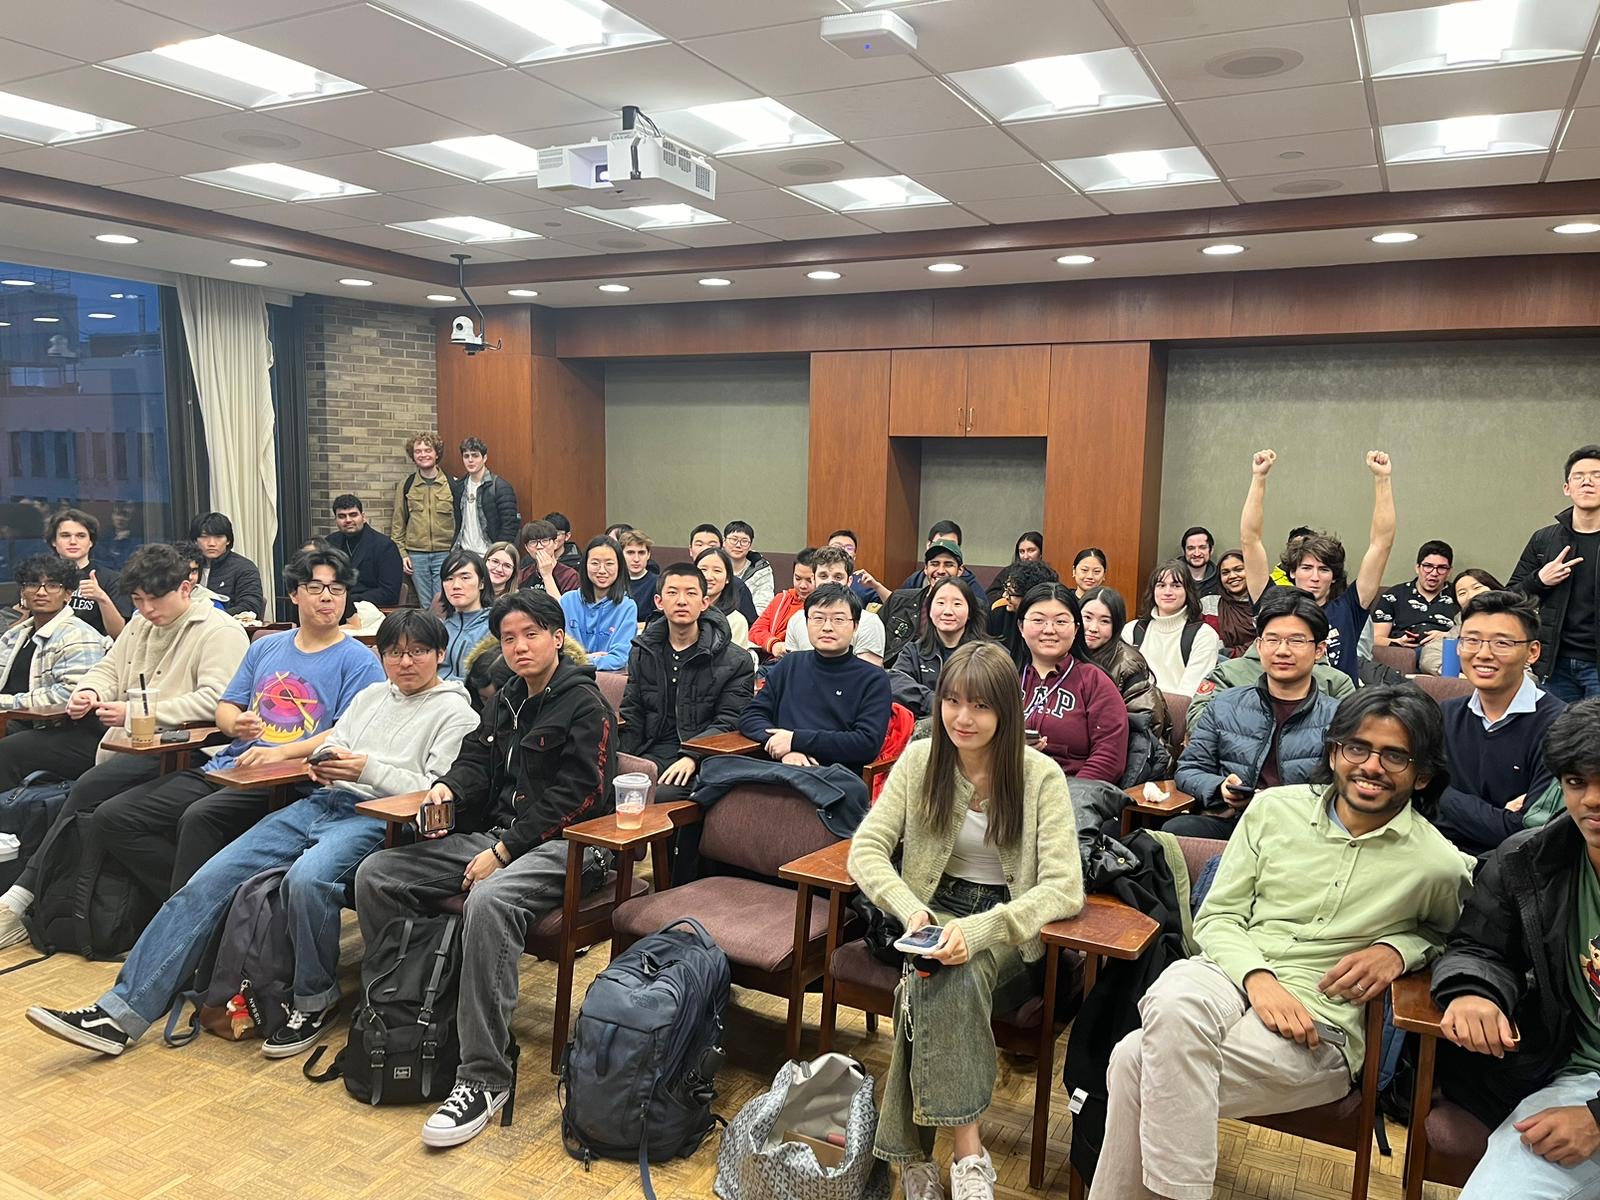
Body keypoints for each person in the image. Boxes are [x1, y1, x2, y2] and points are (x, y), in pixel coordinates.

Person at [23, 610, 478, 1059]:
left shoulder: (455, 711)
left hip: (377, 819)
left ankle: (313, 1001)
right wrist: (324, 759)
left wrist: (366, 768)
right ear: (381, 657)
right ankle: (117, 1013)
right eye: (395, 653)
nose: (406, 662)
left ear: (440, 654)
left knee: (307, 880)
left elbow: (434, 789)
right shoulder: (373, 696)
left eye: (419, 652)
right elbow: (336, 740)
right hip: (321, 801)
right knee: (206, 881)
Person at [1091, 686, 1472, 1200]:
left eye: (1395, 756)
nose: (1371, 766)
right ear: (1334, 751)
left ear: (1422, 773)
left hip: (1317, 1024)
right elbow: (1219, 915)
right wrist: (1259, 979)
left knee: (1135, 1060)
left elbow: (1455, 939)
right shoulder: (1274, 809)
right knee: (1173, 998)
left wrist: (1401, 948)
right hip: (1226, 972)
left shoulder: (1439, 864)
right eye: (1356, 747)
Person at [355, 589, 617, 1148]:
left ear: (555, 635)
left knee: (490, 899)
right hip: (499, 836)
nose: (519, 647)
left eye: (530, 635)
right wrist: (447, 786)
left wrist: (503, 853)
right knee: (378, 873)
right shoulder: (506, 699)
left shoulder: (584, 702)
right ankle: (402, 1011)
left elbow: (580, 795)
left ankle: (484, 1074)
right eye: (508, 638)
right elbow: (476, 758)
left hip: (572, 847)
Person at [848, 641, 1082, 1200]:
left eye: (979, 705)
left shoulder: (1039, 774)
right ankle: (969, 1162)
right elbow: (866, 850)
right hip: (931, 907)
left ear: (1006, 710)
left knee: (935, 982)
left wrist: (979, 932)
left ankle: (924, 1160)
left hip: (1008, 922)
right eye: (951, 701)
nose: (963, 718)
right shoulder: (921, 758)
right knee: (931, 978)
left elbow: (1065, 887)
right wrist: (910, 908)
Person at [87, 548, 385, 904]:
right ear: (293, 593)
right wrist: (237, 723)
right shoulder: (266, 647)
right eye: (315, 587)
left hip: (288, 777)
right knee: (113, 817)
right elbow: (226, 707)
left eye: (336, 589)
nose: (326, 597)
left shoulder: (358, 660)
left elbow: (347, 732)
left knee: (201, 818)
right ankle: (197, 903)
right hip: (229, 764)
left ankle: (190, 915)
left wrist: (281, 753)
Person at [0, 544, 250, 949]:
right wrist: (87, 691)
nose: (147, 609)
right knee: (93, 800)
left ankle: (22, 897)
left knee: (92, 793)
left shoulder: (219, 631)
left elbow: (217, 700)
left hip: (189, 753)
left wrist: (134, 711)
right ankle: (60, 904)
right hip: (134, 747)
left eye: (155, 599)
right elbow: (108, 668)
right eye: (138, 600)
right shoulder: (141, 624)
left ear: (187, 587)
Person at [1431, 697, 1600, 1200]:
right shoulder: (1531, 859)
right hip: (1573, 1080)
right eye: (1577, 783)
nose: (1592, 799)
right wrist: (1474, 991)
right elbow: (1478, 945)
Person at [1169, 589, 1342, 839]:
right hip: (1236, 821)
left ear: (1319, 650)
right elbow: (1189, 769)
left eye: (1296, 641)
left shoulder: (1338, 718)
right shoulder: (1225, 704)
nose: (1282, 651)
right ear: (1259, 646)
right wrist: (1220, 789)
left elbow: (1343, 790)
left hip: (1304, 830)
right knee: (1175, 832)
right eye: (1272, 640)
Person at [1242, 448, 1396, 682]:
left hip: (1338, 709)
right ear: (1292, 572)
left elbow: (1381, 544)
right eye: (1306, 568)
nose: (1315, 577)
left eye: (1323, 569)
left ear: (1333, 576)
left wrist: (1382, 479)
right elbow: (1250, 540)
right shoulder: (1271, 601)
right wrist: (1259, 478)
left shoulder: (1348, 608)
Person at [1434, 590, 1565, 856]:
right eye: (1471, 640)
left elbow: (1526, 834)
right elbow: (1410, 798)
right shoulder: (1445, 715)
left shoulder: (1559, 726)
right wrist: (1495, 817)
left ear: (1532, 652)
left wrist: (1439, 794)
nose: (1483, 654)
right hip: (1435, 858)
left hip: (1512, 872)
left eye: (1502, 643)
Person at [619, 562, 754, 797]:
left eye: (691, 593)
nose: (681, 601)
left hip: (703, 755)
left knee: (664, 793)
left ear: (705, 602)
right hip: (652, 750)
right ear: (659, 602)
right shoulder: (643, 651)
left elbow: (730, 721)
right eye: (672, 593)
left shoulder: (735, 660)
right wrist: (620, 759)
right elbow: (633, 712)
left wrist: (693, 755)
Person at [740, 583, 892, 772]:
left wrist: (797, 741)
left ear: (855, 626)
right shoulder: (789, 664)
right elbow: (751, 716)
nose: (827, 627)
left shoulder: (873, 679)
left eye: (838, 619)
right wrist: (783, 747)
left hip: (832, 776)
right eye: (818, 618)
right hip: (780, 766)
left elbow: (866, 743)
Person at [1512, 445, 1600, 702]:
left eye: (1597, 475)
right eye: (1579, 476)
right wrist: (1540, 580)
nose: (1587, 482)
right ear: (1567, 488)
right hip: (1555, 665)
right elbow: (1509, 596)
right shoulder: (1544, 540)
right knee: (1557, 737)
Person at [1017, 583, 1128, 783]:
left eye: (1060, 622)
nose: (1049, 630)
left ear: (1076, 629)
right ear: (1021, 627)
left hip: (1072, 793)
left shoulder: (1095, 682)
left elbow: (1109, 759)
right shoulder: (1004, 677)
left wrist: (1064, 799)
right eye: (1038, 620)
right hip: (1007, 788)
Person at [0, 554, 110, 715]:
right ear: (23, 592)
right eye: (33, 584)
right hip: (11, 719)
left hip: (55, 726)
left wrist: (8, 702)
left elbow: (71, 693)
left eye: (52, 586)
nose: (41, 592)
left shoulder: (79, 634)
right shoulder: (15, 635)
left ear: (68, 594)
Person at [1079, 586, 1173, 769]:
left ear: (1117, 626)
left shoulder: (1127, 664)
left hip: (1122, 757)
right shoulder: (1066, 653)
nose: (1092, 628)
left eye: (1104, 621)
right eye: (1087, 618)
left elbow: (1147, 722)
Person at [887, 577, 991, 718]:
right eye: (940, 603)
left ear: (970, 612)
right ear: (929, 610)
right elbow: (895, 683)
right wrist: (935, 702)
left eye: (957, 604)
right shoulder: (913, 651)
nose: (948, 611)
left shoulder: (989, 654)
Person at [1123, 559, 1223, 694]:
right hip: (1132, 709)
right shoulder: (1131, 630)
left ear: (1188, 591)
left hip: (1178, 711)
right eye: (1161, 585)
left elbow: (1188, 696)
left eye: (1176, 586)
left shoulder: (1204, 635)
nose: (1168, 592)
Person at [783, 547, 886, 666]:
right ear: (813, 579)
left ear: (849, 581)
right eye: (823, 576)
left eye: (838, 577)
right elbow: (794, 669)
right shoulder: (797, 620)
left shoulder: (869, 622)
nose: (830, 582)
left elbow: (867, 676)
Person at [390, 432, 456, 612]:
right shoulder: (406, 485)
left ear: (437, 454)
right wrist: (402, 554)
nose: (423, 454)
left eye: (428, 450)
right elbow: (398, 524)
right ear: (413, 456)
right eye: (417, 451)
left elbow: (461, 521)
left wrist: (456, 552)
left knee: (445, 604)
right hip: (416, 556)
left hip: (445, 553)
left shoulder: (452, 484)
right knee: (426, 606)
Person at [1372, 540, 1458, 674]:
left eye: (1441, 568)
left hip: (1442, 653)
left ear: (1449, 571)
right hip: (1404, 654)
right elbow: (1376, 639)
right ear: (1417, 568)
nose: (1434, 573)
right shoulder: (1394, 595)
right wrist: (1398, 642)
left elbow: (1472, 633)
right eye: (1428, 566)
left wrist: (1448, 636)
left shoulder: (1458, 596)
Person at [47, 508, 131, 636]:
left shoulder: (112, 579)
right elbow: (14, 626)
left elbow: (120, 634)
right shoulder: (40, 577)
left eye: (81, 536)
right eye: (65, 536)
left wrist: (102, 599)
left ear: (91, 541)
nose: (73, 541)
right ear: (54, 541)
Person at [559, 536, 638, 671]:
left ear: (620, 567)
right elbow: (560, 653)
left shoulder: (627, 607)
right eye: (595, 563)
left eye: (609, 564)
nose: (602, 570)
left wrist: (583, 659)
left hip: (609, 679)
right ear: (585, 565)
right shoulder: (567, 601)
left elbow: (620, 658)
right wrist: (590, 659)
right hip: (570, 678)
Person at [327, 494, 403, 607]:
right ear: (336, 520)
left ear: (363, 516)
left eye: (353, 515)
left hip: (371, 609)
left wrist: (349, 601)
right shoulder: (329, 543)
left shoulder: (384, 546)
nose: (348, 520)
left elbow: (389, 593)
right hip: (332, 607)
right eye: (342, 516)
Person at [450, 436, 520, 554]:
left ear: (485, 458)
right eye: (466, 456)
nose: (470, 460)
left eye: (475, 455)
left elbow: (509, 526)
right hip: (464, 553)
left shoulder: (500, 487)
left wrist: (498, 553)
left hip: (489, 554)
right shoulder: (459, 486)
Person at [189, 511, 265, 617]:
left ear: (228, 540)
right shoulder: (185, 565)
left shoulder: (244, 568)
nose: (211, 543)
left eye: (218, 537)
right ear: (195, 540)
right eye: (204, 536)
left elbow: (250, 607)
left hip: (228, 629)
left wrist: (211, 617)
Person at [988, 560, 1060, 668]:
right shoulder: (998, 612)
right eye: (1006, 589)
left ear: (1030, 596)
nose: (1004, 596)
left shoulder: (1054, 622)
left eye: (1010, 593)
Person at [750, 547, 816, 662]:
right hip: (772, 661)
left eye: (809, 580)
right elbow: (755, 631)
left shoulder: (823, 607)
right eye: (798, 578)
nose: (802, 585)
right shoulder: (781, 599)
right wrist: (774, 645)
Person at [440, 549, 492, 682]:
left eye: (465, 578)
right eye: (449, 579)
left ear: (482, 583)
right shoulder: (440, 628)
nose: (456, 585)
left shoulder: (493, 627)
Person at [690, 545, 752, 655]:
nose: (708, 576)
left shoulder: (736, 621)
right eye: (703, 569)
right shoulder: (681, 612)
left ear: (728, 578)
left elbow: (735, 663)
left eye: (717, 571)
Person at [1204, 548, 1257, 657]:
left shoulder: (1266, 604)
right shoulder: (1209, 605)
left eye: (1238, 569)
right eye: (1225, 573)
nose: (1232, 576)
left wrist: (1233, 653)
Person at [514, 520, 579, 596]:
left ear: (555, 543)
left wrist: (547, 575)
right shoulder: (522, 575)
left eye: (545, 541)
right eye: (533, 542)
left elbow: (565, 607)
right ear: (527, 548)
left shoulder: (570, 576)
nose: (539, 546)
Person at [723, 520, 774, 614]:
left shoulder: (761, 570)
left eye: (744, 541)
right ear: (724, 542)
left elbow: (763, 606)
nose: (738, 545)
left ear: (750, 545)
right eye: (734, 540)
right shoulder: (714, 567)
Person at [985, 531, 1045, 603]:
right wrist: (1010, 593)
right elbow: (989, 596)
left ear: (1041, 552)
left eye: (1031, 550)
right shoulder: (1009, 571)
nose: (1025, 556)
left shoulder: (1046, 574)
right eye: (1022, 551)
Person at [619, 529, 659, 619]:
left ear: (648, 555)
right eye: (630, 553)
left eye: (641, 553)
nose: (636, 559)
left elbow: (658, 621)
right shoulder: (613, 582)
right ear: (621, 555)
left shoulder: (658, 583)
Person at [1182, 525, 1222, 598]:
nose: (1197, 553)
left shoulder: (1220, 580)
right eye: (1191, 548)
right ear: (1184, 551)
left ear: (1211, 550)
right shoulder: (1170, 576)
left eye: (1202, 548)